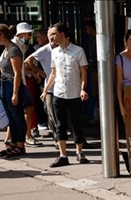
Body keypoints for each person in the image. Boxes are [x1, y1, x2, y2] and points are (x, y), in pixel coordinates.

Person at [40, 22, 91, 167]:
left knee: (77, 123)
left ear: (62, 34)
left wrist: (83, 88)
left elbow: (83, 72)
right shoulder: (54, 52)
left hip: (75, 92)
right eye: (50, 34)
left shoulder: (78, 51)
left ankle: (79, 152)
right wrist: (45, 90)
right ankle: (63, 155)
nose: (51, 37)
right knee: (60, 124)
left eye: (53, 34)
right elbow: (53, 73)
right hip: (59, 92)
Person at [0, 24, 28, 158]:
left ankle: (20, 145)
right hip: (4, 84)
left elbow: (17, 73)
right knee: (10, 117)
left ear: (3, 35)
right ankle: (13, 143)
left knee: (17, 116)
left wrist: (15, 92)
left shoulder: (14, 50)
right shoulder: (6, 49)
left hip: (13, 84)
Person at [25, 26, 59, 150]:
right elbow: (27, 62)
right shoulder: (43, 50)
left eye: (40, 36)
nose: (37, 39)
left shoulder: (64, 48)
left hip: (65, 85)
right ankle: (57, 138)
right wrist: (40, 72)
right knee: (51, 112)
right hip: (50, 87)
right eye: (50, 35)